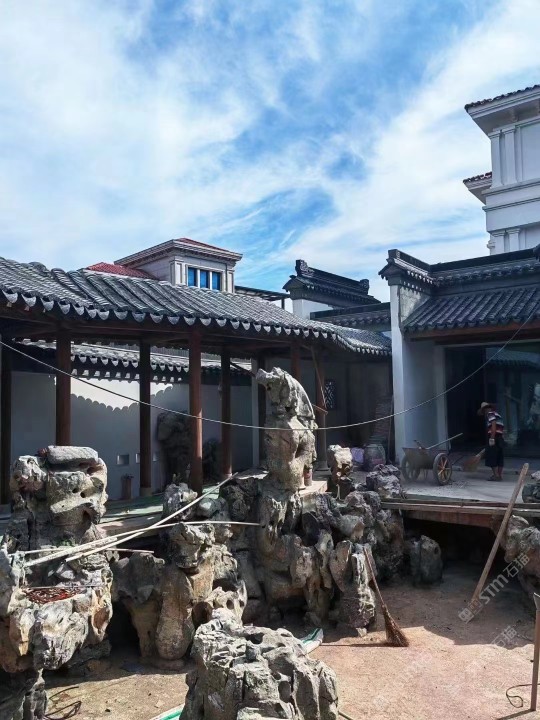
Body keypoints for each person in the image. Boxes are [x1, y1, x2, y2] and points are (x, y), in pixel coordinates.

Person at [478, 401, 505, 481]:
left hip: (494, 437)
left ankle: (496, 475)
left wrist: (492, 438)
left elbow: (493, 426)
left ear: (486, 409)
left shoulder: (490, 414)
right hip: (500, 438)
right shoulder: (497, 414)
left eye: (485, 410)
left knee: (491, 456)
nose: (485, 412)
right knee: (499, 457)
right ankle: (499, 475)